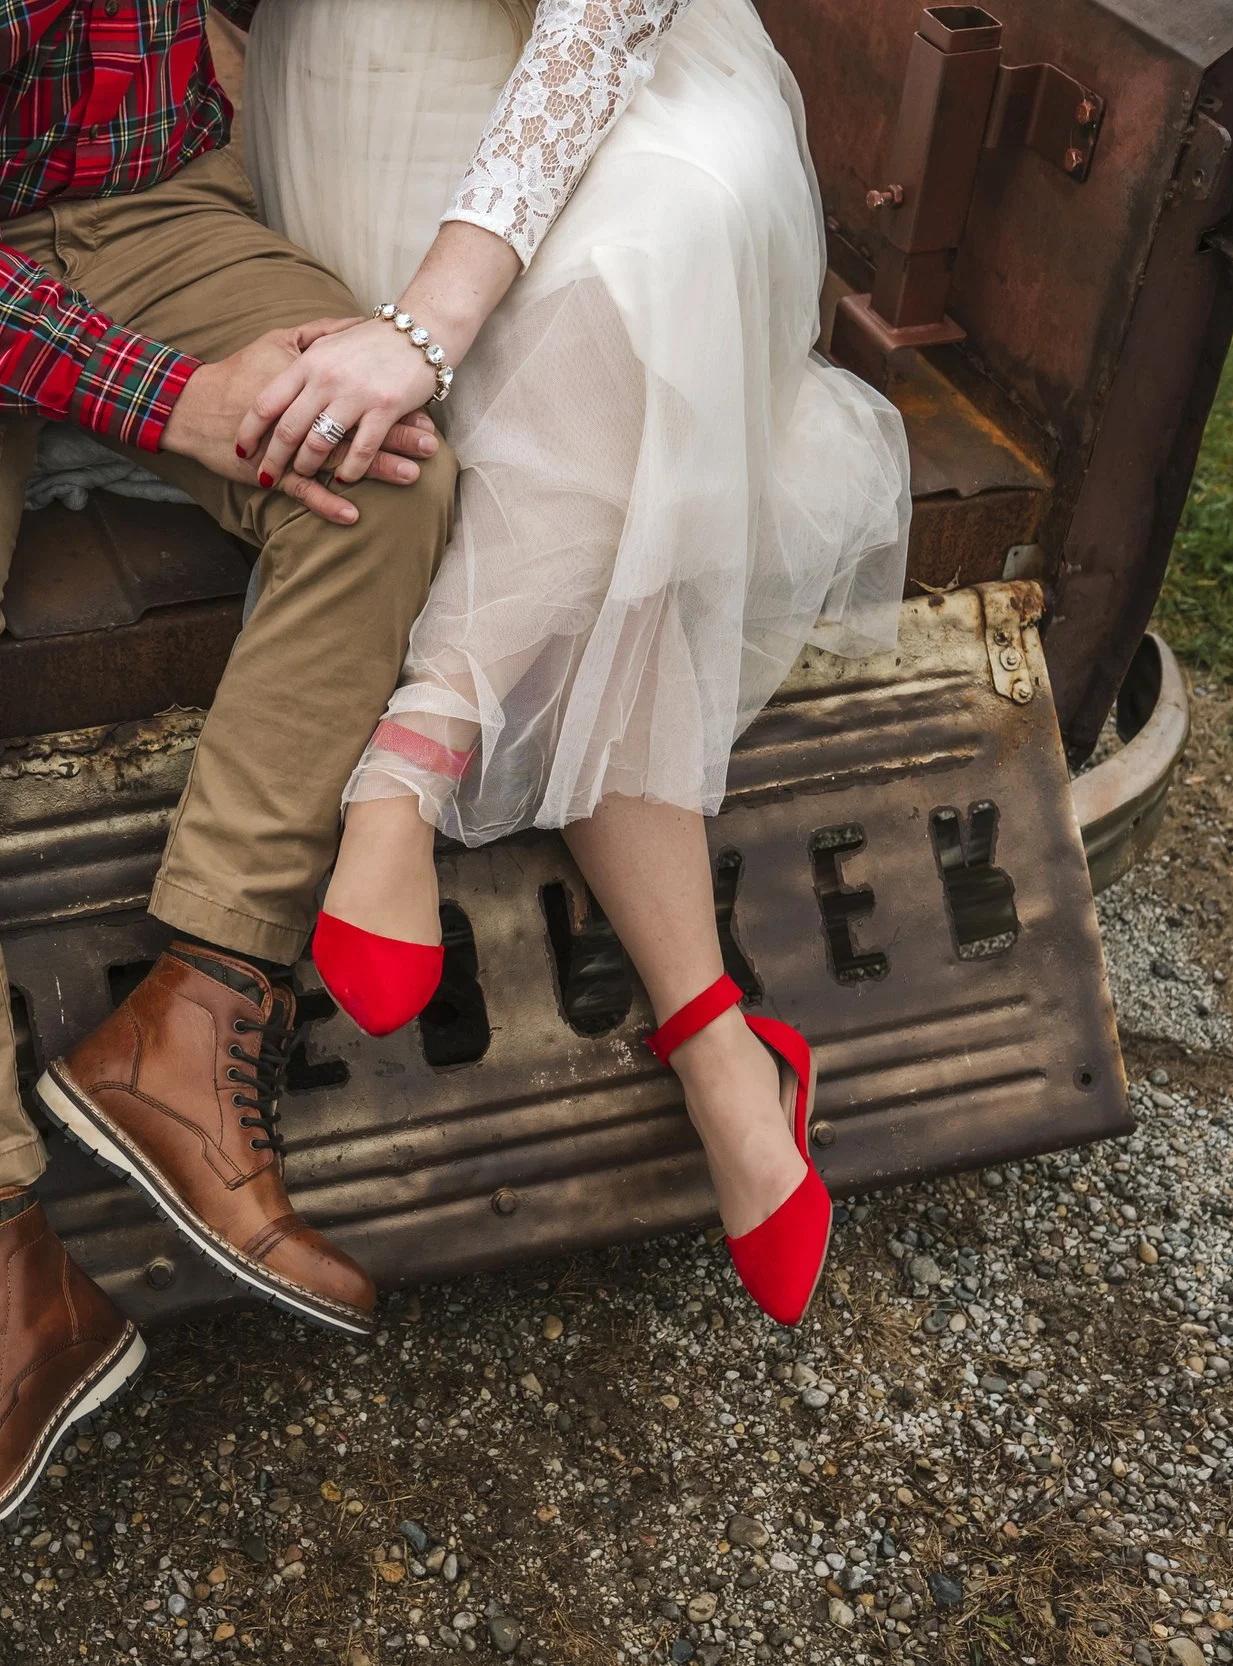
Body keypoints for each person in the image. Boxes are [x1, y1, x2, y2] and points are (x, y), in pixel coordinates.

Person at [0, 0, 456, 1588]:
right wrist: (173, 401)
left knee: (392, 466)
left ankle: (196, 1014)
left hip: (156, 209)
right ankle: (1, 1274)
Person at [236, 0, 912, 1324]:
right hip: (376, 86)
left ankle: (408, 764)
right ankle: (718, 1040)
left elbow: (599, 27)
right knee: (617, 488)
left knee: (667, 252)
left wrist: (429, 326)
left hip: (614, 66)